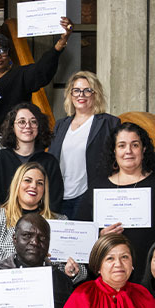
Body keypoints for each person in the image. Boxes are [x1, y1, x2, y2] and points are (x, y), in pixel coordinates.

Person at [75, 121, 155, 282]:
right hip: (110, 278)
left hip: (153, 277)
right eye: (122, 145)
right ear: (114, 151)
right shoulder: (97, 188)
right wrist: (99, 235)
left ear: (143, 149)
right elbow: (81, 233)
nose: (128, 151)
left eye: (134, 145)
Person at [0, 162, 83, 283]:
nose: (33, 186)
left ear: (44, 190)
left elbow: (81, 268)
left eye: (40, 183)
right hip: (6, 287)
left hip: (46, 289)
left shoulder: (60, 221)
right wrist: (30, 256)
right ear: (17, 184)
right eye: (27, 180)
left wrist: (72, 271)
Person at [0, 18, 72, 135]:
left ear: (9, 55)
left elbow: (42, 69)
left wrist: (61, 42)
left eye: (2, 51)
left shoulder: (19, 75)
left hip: (11, 140)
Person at [52, 71, 121, 218]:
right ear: (70, 95)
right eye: (76, 90)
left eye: (87, 90)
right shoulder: (61, 125)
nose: (80, 95)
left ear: (96, 94)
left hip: (88, 196)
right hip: (60, 196)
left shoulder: (109, 123)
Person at [0, 102, 64, 210]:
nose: (28, 126)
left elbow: (54, 201)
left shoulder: (49, 162)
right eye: (22, 122)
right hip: (6, 222)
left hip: (41, 222)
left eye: (33, 122)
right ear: (12, 126)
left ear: (39, 126)